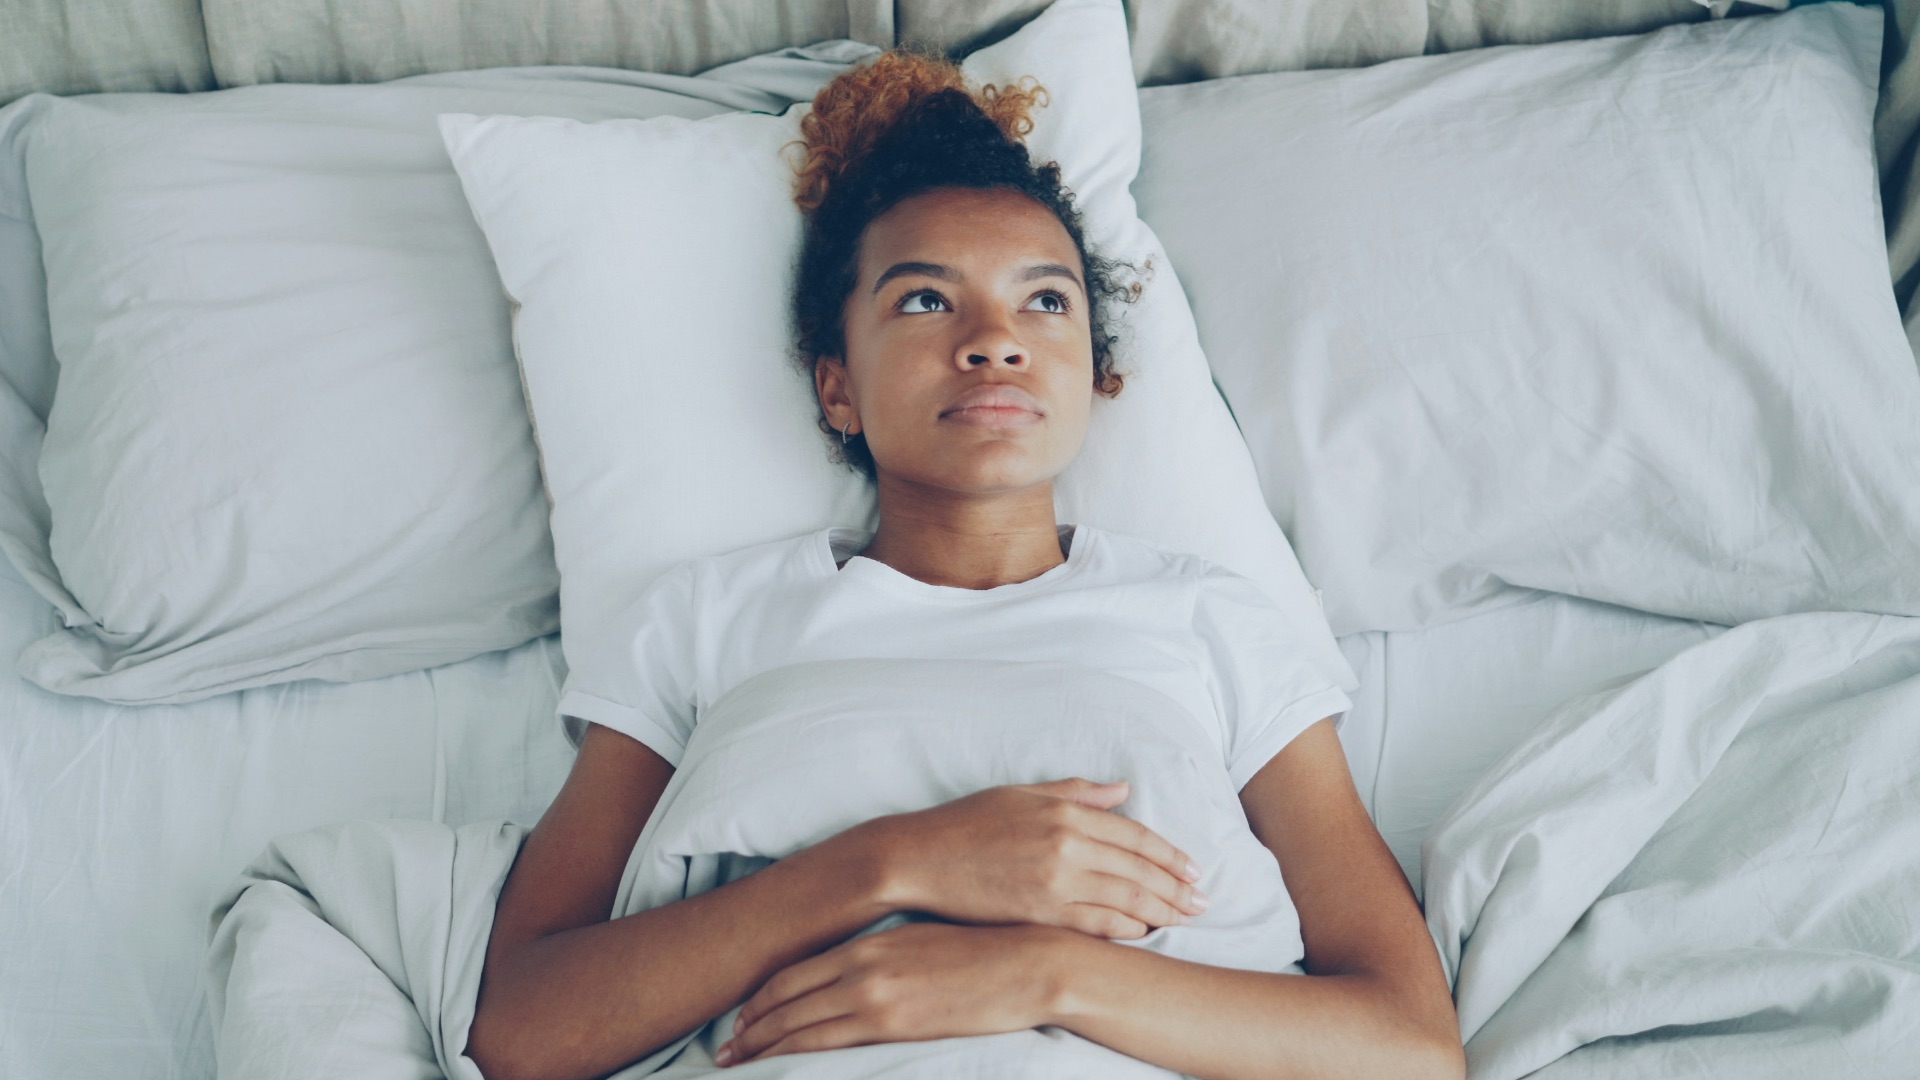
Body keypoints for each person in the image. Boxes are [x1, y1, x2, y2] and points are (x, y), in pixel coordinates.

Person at [465, 49, 1462, 1080]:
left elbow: (1410, 1044)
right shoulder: (702, 622)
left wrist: (1042, 974)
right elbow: (525, 1029)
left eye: (1045, 302)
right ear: (838, 388)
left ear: (1096, 373)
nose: (995, 341)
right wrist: (895, 859)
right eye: (926, 303)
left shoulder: (1208, 620)